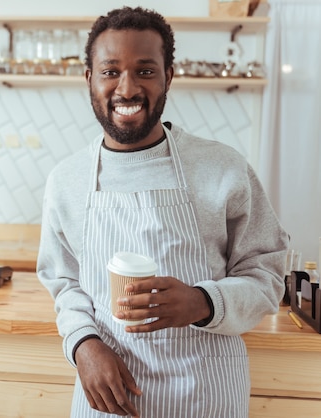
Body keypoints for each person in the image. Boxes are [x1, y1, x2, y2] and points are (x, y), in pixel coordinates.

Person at [36, 6, 288, 418]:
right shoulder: (66, 180)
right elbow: (65, 284)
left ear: (169, 76)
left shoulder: (223, 168)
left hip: (206, 395)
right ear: (89, 79)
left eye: (146, 71)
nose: (127, 88)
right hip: (106, 396)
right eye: (110, 70)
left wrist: (203, 301)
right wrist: (84, 345)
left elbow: (266, 275)